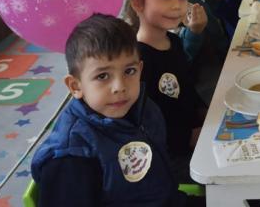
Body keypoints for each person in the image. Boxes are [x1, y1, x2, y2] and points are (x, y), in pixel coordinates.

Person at [31, 15, 199, 206]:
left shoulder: (144, 107)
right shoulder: (71, 157)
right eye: (103, 76)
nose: (120, 87)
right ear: (75, 86)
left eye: (129, 71)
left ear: (140, 70)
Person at [126, 0, 204, 180]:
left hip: (195, 136)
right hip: (169, 158)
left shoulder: (175, 41)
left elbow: (187, 90)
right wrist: (192, 136)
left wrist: (208, 114)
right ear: (138, 3)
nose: (176, 5)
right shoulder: (136, 62)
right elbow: (147, 126)